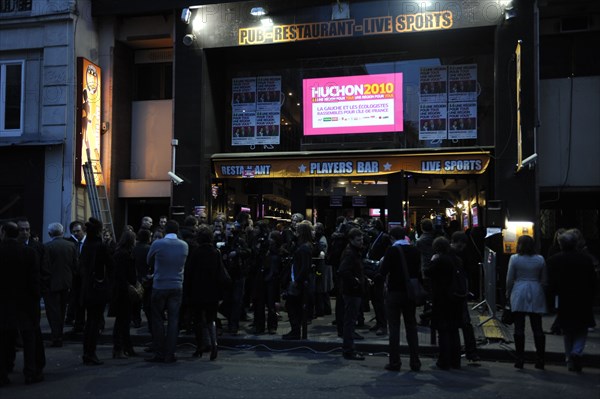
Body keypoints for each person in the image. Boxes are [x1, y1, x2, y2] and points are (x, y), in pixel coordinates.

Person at [1, 221, 45, 385]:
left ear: (3, 233)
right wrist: (36, 299)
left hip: (5, 303)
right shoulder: (29, 252)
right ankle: (30, 372)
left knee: (4, 339)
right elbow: (35, 281)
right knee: (29, 339)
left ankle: (3, 373)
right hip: (26, 303)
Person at [547, 229, 596, 372]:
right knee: (582, 329)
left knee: (567, 331)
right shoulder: (586, 260)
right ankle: (577, 351)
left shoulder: (554, 260)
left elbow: (551, 283)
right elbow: (592, 281)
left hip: (565, 298)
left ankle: (569, 359)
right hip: (583, 298)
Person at [378, 227, 422, 371]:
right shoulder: (415, 250)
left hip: (394, 292)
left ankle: (395, 362)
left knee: (394, 328)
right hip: (410, 293)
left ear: (392, 238)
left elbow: (383, 271)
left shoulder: (392, 251)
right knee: (411, 327)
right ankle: (415, 362)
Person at [146, 220, 189, 363]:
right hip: (177, 285)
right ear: (177, 231)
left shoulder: (158, 244)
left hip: (160, 284)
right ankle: (170, 353)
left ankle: (159, 352)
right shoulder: (184, 246)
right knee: (173, 320)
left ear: (165, 230)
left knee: (157, 319)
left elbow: (149, 260)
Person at [506, 234, 548, 370]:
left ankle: (520, 359)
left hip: (519, 291)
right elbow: (544, 279)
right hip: (535, 290)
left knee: (519, 327)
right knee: (537, 327)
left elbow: (509, 279)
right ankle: (540, 359)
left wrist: (508, 292)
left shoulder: (514, 259)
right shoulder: (540, 259)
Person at [184, 226, 224, 360]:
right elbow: (220, 273)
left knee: (198, 320)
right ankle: (214, 343)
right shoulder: (215, 252)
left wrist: (187, 291)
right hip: (212, 290)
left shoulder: (195, 253)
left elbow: (189, 273)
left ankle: (200, 346)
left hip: (197, 290)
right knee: (211, 319)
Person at [79, 217, 114, 365]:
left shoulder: (86, 245)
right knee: (95, 321)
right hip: (98, 288)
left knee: (90, 322)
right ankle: (91, 352)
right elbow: (111, 265)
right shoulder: (101, 246)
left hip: (86, 287)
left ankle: (87, 351)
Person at [426, 236, 463, 370]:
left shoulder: (439, 260)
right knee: (454, 330)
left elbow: (427, 272)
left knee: (443, 331)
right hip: (456, 298)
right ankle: (456, 360)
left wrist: (432, 260)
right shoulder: (457, 260)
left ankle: (444, 360)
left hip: (442, 299)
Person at [43, 222, 78, 348]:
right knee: (62, 311)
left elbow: (45, 267)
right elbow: (75, 265)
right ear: (62, 232)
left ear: (50, 233)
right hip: (66, 283)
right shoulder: (71, 246)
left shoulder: (47, 247)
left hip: (52, 284)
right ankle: (59, 335)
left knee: (53, 312)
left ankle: (56, 337)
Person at [450, 231, 480, 362]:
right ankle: (471, 352)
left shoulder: (447, 254)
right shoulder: (464, 255)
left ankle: (457, 353)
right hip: (460, 292)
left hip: (454, 293)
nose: (462, 247)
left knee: (457, 324)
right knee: (465, 324)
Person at [338, 228, 366, 360]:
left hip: (353, 291)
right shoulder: (350, 253)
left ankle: (349, 349)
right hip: (351, 292)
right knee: (350, 321)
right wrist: (356, 281)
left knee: (350, 321)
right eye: (358, 240)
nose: (361, 242)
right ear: (351, 240)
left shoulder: (354, 251)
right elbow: (343, 270)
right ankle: (348, 350)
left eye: (361, 239)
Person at [282, 221, 313, 340]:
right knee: (294, 306)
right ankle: (296, 330)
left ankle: (295, 331)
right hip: (298, 279)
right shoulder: (304, 245)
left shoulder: (304, 247)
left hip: (298, 281)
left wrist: (297, 280)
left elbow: (305, 267)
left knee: (292, 306)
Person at [111, 230, 138, 359]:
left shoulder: (119, 253)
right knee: (123, 321)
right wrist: (131, 285)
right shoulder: (125, 254)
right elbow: (123, 274)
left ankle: (124, 347)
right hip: (124, 291)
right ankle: (121, 348)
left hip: (121, 290)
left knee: (122, 321)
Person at [65, 221, 86, 333]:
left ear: (83, 230)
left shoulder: (89, 243)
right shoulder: (69, 243)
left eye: (78, 231)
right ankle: (77, 322)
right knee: (75, 301)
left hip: (87, 278)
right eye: (73, 231)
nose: (76, 233)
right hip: (74, 278)